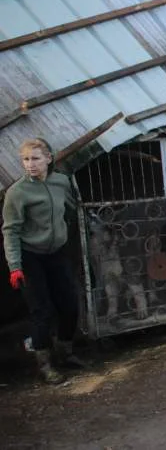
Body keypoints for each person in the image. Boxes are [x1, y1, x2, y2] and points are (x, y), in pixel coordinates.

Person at [2, 138, 86, 384]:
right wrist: (15, 266)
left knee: (70, 304)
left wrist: (61, 232)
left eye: (36, 158)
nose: (30, 165)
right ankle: (46, 364)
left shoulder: (61, 182)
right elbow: (11, 231)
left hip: (56, 252)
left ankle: (66, 352)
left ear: (49, 159)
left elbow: (70, 210)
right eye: (26, 160)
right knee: (42, 310)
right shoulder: (17, 193)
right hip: (30, 256)